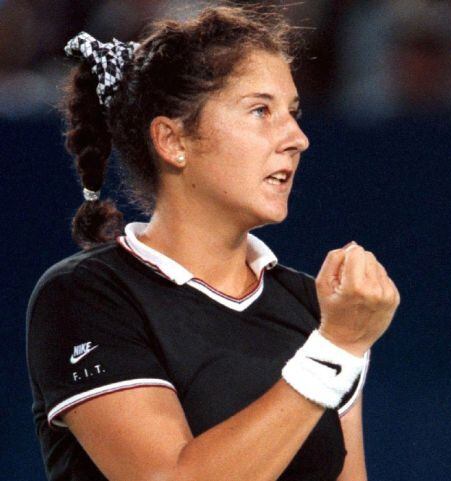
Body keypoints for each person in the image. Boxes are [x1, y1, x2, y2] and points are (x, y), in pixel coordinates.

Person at [25, 5, 399, 481]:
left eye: (293, 113)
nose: (297, 138)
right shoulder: (86, 295)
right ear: (172, 140)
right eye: (260, 110)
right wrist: (334, 349)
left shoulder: (316, 307)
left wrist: (337, 342)